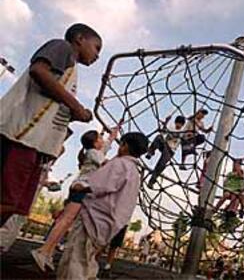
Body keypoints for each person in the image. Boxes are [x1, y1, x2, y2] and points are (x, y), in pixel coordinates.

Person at [0, 23, 101, 225]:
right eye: (96, 47)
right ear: (80, 39)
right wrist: (76, 106)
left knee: (15, 203)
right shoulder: (62, 48)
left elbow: (51, 104)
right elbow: (39, 71)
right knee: (6, 199)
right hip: (22, 136)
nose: (97, 55)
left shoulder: (70, 72)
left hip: (36, 143)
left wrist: (75, 113)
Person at [56, 132, 148, 280]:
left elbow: (101, 185)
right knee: (87, 258)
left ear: (125, 146)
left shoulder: (119, 163)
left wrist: (82, 187)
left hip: (95, 218)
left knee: (76, 257)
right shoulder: (135, 173)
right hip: (110, 223)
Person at [32, 127, 118, 272]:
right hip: (81, 188)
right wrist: (121, 158)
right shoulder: (93, 153)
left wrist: (113, 134)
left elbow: (106, 146)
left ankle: (48, 252)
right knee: (65, 220)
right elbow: (105, 164)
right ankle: (43, 251)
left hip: (81, 188)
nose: (102, 141)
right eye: (100, 138)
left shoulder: (94, 152)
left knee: (66, 222)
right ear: (95, 143)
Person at [146, 115, 186, 188]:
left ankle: (151, 181)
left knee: (161, 164)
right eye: (177, 123)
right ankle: (151, 152)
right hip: (165, 145)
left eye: (180, 124)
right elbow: (163, 132)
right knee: (158, 137)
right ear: (175, 122)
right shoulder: (171, 126)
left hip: (171, 151)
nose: (178, 125)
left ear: (182, 125)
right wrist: (166, 121)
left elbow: (182, 137)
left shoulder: (183, 132)